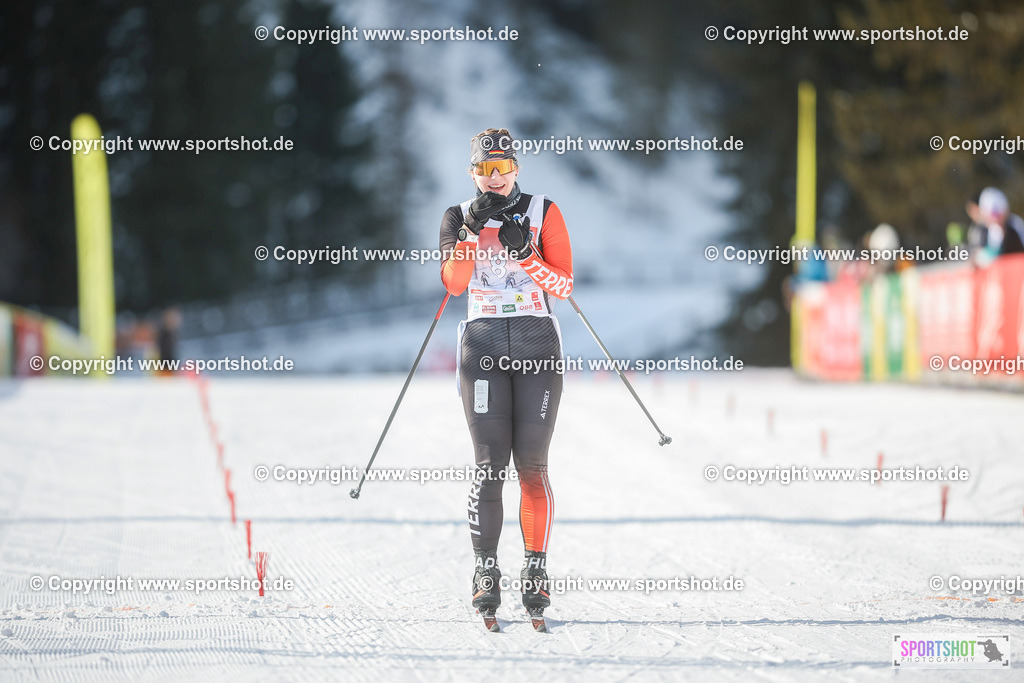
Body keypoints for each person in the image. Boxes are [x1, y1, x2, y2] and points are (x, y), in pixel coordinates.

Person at [438, 128, 573, 627]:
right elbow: (453, 285)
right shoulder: (457, 216)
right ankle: (485, 569)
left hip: (537, 344)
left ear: (516, 168)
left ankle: (535, 569)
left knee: (532, 468)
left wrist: (526, 256)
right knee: (490, 466)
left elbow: (563, 286)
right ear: (472, 173)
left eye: (502, 168)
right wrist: (471, 234)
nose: (493, 178)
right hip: (483, 346)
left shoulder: (544, 211)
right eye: (483, 169)